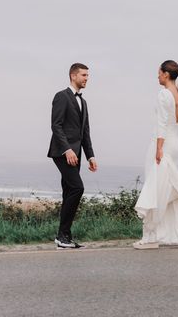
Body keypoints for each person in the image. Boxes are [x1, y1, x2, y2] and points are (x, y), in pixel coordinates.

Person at [133, 60, 178, 249]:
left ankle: (150, 238)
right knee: (169, 191)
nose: (157, 76)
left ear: (166, 74)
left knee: (155, 189)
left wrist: (158, 149)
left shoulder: (164, 93)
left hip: (163, 145)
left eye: (158, 72)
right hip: (174, 144)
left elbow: (162, 123)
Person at [47, 63, 98, 249]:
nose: (86, 78)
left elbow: (85, 132)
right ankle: (62, 235)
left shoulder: (83, 102)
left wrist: (90, 156)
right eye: (83, 75)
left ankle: (64, 237)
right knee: (77, 188)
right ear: (73, 75)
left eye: (87, 75)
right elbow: (56, 125)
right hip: (62, 152)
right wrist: (67, 149)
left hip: (76, 154)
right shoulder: (61, 96)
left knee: (69, 192)